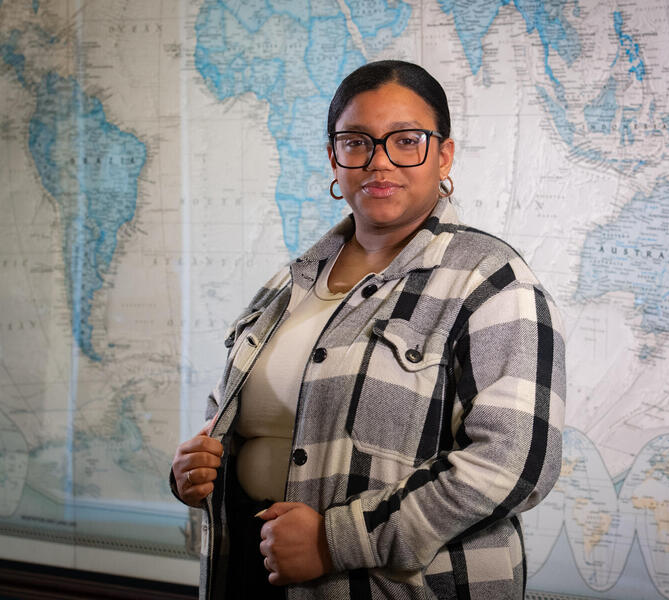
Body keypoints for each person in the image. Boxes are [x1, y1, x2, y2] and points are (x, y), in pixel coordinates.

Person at [171, 60, 565, 600]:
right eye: (357, 142)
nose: (379, 162)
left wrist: (335, 542)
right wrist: (194, 468)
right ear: (335, 158)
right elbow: (230, 418)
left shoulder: (490, 279)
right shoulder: (288, 284)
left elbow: (515, 465)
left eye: (406, 141)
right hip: (247, 567)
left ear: (443, 154)